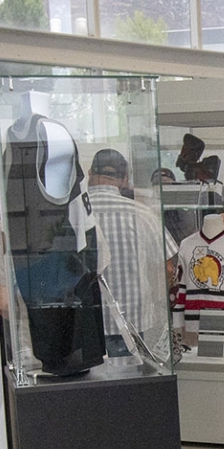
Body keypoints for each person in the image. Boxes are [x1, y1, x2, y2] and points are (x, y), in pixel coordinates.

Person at [85, 149, 178, 366]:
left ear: (89, 173)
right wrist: (154, 301)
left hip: (88, 327)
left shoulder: (74, 214)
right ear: (125, 179)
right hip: (136, 323)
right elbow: (168, 270)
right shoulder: (142, 214)